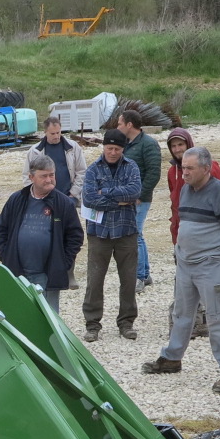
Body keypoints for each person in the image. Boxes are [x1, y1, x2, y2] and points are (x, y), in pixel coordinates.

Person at [140, 147, 220, 393]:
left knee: (219, 317)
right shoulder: (185, 189)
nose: (184, 172)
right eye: (183, 167)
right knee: (181, 313)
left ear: (206, 169)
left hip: (212, 265)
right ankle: (172, 358)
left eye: (189, 168)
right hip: (186, 264)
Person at [0, 153, 84, 313]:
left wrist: (63, 263)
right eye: (44, 176)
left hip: (47, 275)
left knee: (49, 318)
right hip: (18, 272)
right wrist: (6, 256)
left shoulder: (63, 204)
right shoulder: (17, 199)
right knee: (20, 314)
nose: (49, 180)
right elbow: (1, 229)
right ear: (31, 177)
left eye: (52, 175)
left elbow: (75, 237)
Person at [79, 129, 142, 342]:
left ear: (123, 149)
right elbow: (88, 199)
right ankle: (92, 324)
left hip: (127, 231)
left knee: (128, 280)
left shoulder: (131, 167)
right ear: (103, 147)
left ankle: (126, 323)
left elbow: (135, 191)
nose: (113, 152)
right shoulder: (92, 170)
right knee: (95, 280)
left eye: (117, 149)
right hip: (99, 233)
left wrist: (104, 193)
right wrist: (120, 200)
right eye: (109, 148)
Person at [164, 127, 220, 339]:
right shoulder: (172, 172)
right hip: (181, 233)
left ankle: (211, 320)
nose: (178, 149)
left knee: (208, 278)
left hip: (207, 233)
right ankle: (190, 323)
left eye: (181, 144)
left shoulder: (212, 168)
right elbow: (175, 203)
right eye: (174, 146)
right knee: (184, 278)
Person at [118, 109, 161, 290]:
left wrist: (140, 195)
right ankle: (145, 273)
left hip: (139, 200)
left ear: (129, 124)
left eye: (119, 123)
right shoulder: (126, 144)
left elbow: (153, 173)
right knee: (134, 234)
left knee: (135, 235)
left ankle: (140, 277)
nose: (117, 127)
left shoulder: (148, 144)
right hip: (127, 199)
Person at [24, 116, 86, 202]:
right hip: (44, 199)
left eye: (58, 132)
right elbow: (27, 176)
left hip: (68, 197)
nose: (56, 136)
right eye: (52, 134)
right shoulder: (35, 151)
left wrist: (73, 194)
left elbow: (82, 171)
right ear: (45, 132)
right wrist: (35, 197)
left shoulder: (73, 147)